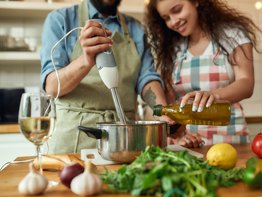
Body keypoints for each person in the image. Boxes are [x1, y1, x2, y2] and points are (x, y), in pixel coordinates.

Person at [40, 0, 169, 154]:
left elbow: (147, 79)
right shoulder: (61, 20)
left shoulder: (136, 29)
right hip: (72, 144)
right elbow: (52, 87)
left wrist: (162, 111)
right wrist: (86, 60)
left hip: (124, 142)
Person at [145, 0, 262, 146]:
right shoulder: (173, 48)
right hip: (191, 140)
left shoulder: (232, 34)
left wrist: (213, 95)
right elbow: (170, 102)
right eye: (166, 18)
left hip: (231, 137)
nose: (173, 21)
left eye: (177, 10)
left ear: (195, 2)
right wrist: (178, 134)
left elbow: (246, 83)